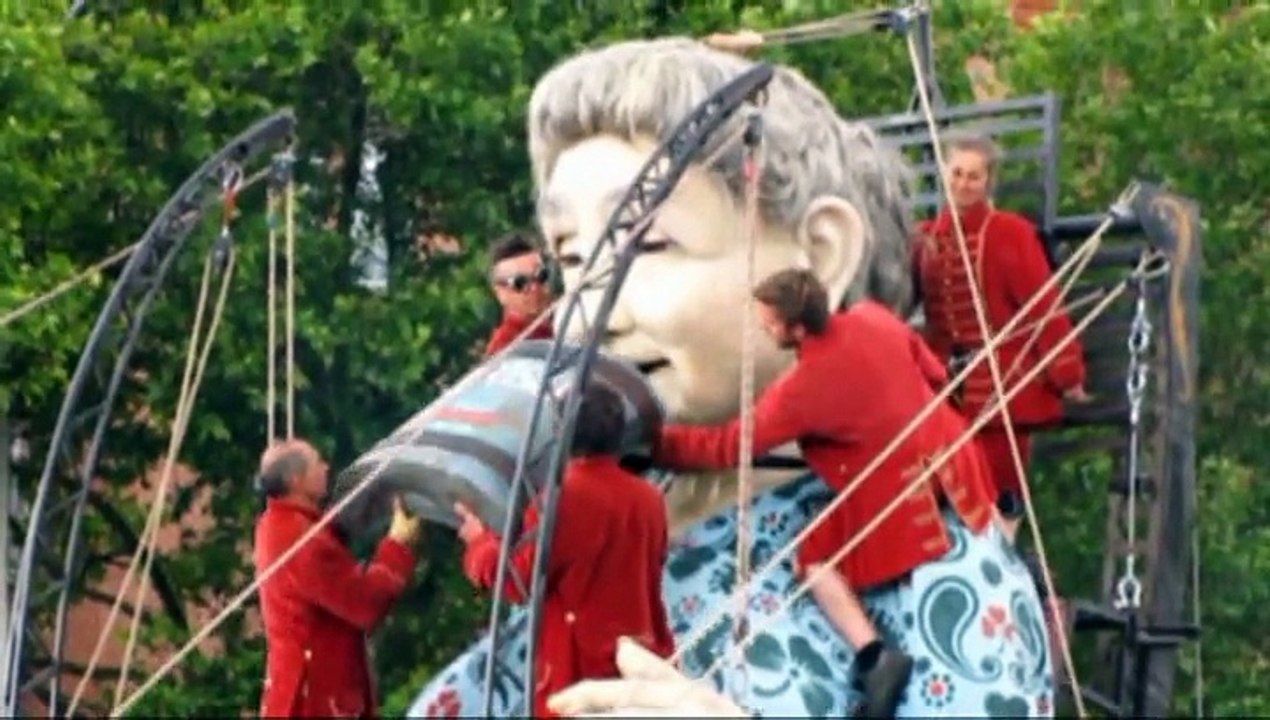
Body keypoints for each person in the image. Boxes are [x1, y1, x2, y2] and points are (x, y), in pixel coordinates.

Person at [412, 37, 1055, 719]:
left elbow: (729, 447)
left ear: (821, 255)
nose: (585, 314)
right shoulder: (615, 501)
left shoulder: (935, 561)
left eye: (648, 245)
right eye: (572, 259)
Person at [652, 268, 999, 717]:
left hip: (899, 491)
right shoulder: (874, 315)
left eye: (768, 322)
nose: (763, 327)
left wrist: (656, 442)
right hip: (953, 454)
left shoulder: (802, 389)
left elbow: (727, 446)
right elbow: (934, 373)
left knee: (815, 560)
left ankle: (875, 658)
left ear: (793, 326)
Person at [454, 381, 675, 719]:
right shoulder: (650, 499)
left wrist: (479, 542)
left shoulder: (562, 499)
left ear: (560, 433)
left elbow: (514, 581)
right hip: (642, 670)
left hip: (580, 678)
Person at [914, 132, 1089, 520]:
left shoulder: (1009, 232)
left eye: (973, 176)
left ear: (988, 181)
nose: (963, 184)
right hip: (946, 387)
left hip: (1002, 384)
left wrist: (1067, 373)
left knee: (999, 500)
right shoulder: (926, 239)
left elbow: (1042, 306)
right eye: (956, 173)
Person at [254, 438, 423, 718]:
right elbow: (367, 605)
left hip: (295, 690)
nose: (325, 467)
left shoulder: (275, 524)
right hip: (318, 699)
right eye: (317, 462)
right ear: (297, 480)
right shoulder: (303, 542)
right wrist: (398, 544)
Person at [484, 231, 555, 357]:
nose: (535, 288)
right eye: (520, 283)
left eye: (541, 276)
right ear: (500, 294)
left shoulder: (567, 322)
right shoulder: (505, 347)